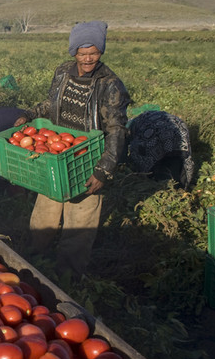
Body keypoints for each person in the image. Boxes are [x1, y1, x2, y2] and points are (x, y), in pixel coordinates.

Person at [14, 20, 130, 276]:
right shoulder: (63, 72)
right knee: (44, 215)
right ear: (73, 52)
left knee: (80, 224)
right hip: (56, 155)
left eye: (94, 52)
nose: (88, 58)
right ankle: (32, 267)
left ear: (101, 51)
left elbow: (116, 129)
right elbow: (50, 104)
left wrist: (104, 170)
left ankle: (68, 279)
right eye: (82, 52)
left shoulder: (110, 85)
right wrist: (30, 114)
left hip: (88, 159)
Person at [127, 110, 194, 189]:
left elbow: (138, 154)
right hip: (178, 128)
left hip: (155, 132)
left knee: (154, 162)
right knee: (178, 157)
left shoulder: (131, 128)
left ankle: (165, 186)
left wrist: (138, 172)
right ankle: (181, 186)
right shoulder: (142, 119)